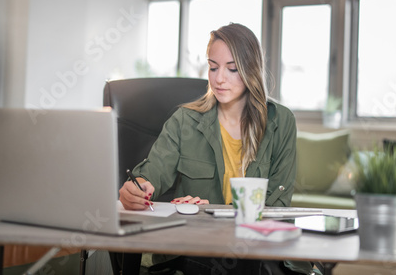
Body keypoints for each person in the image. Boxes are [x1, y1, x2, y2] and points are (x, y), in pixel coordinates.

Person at [119, 23, 316, 274]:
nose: (219, 78)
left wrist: (215, 214)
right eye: (213, 67)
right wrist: (139, 189)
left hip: (258, 250)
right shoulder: (184, 121)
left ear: (251, 70)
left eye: (232, 69)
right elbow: (153, 172)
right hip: (199, 250)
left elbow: (278, 206)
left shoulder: (281, 122)